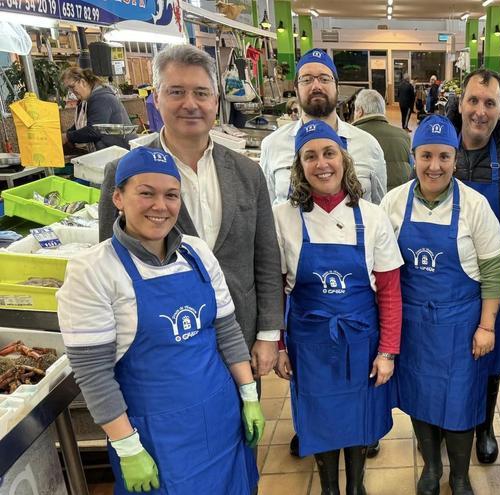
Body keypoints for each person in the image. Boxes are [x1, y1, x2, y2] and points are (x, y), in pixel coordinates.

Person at [58, 147, 264, 494]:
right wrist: (126, 446)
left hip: (221, 417)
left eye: (171, 195)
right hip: (157, 438)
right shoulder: (92, 271)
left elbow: (226, 330)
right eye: (146, 193)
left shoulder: (197, 253)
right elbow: (95, 375)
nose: (160, 206)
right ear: (118, 198)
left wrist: (248, 395)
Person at [97, 44, 285, 390]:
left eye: (201, 93)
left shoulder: (247, 173)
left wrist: (269, 333)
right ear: (156, 97)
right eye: (176, 92)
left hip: (239, 340)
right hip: (159, 347)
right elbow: (108, 267)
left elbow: (266, 259)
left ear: (216, 100)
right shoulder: (122, 173)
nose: (190, 103)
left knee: (242, 435)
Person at [272, 120, 402, 494]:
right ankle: (329, 487)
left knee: (358, 419)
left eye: (329, 153)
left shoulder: (372, 216)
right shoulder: (284, 218)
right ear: (299, 165)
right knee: (319, 417)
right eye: (310, 155)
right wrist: (280, 345)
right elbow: (277, 290)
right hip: (309, 345)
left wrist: (388, 352)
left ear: (343, 159)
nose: (321, 163)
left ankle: (356, 485)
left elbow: (390, 292)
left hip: (361, 342)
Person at [381, 115, 500, 494]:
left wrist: (487, 327)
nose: (434, 166)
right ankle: (432, 468)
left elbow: (494, 271)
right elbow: (383, 273)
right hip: (414, 325)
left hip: (461, 327)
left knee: (460, 404)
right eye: (426, 155)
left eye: (444, 157)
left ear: (455, 159)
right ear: (413, 156)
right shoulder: (392, 203)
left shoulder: (475, 205)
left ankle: (459, 475)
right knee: (420, 400)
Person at [446, 69, 500, 464]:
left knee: (492, 354)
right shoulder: (442, 145)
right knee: (455, 352)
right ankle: (452, 418)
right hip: (451, 276)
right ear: (461, 103)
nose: (480, 111)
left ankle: (485, 425)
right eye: (474, 101)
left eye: (489, 103)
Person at [261, 49, 387, 206]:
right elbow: (267, 210)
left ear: (337, 87)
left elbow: (379, 208)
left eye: (324, 79)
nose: (316, 86)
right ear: (296, 90)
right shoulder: (272, 144)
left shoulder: (368, 145)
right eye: (306, 80)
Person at [61, 67, 133, 151]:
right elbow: (81, 125)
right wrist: (67, 134)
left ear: (83, 82)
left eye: (72, 87)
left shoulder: (101, 99)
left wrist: (67, 137)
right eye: (69, 88)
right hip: (112, 151)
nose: (71, 91)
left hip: (121, 152)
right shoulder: (87, 100)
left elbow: (94, 131)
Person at [352, 89, 412, 190]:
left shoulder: (350, 136)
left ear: (359, 111)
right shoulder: (404, 135)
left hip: (366, 201)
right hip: (399, 198)